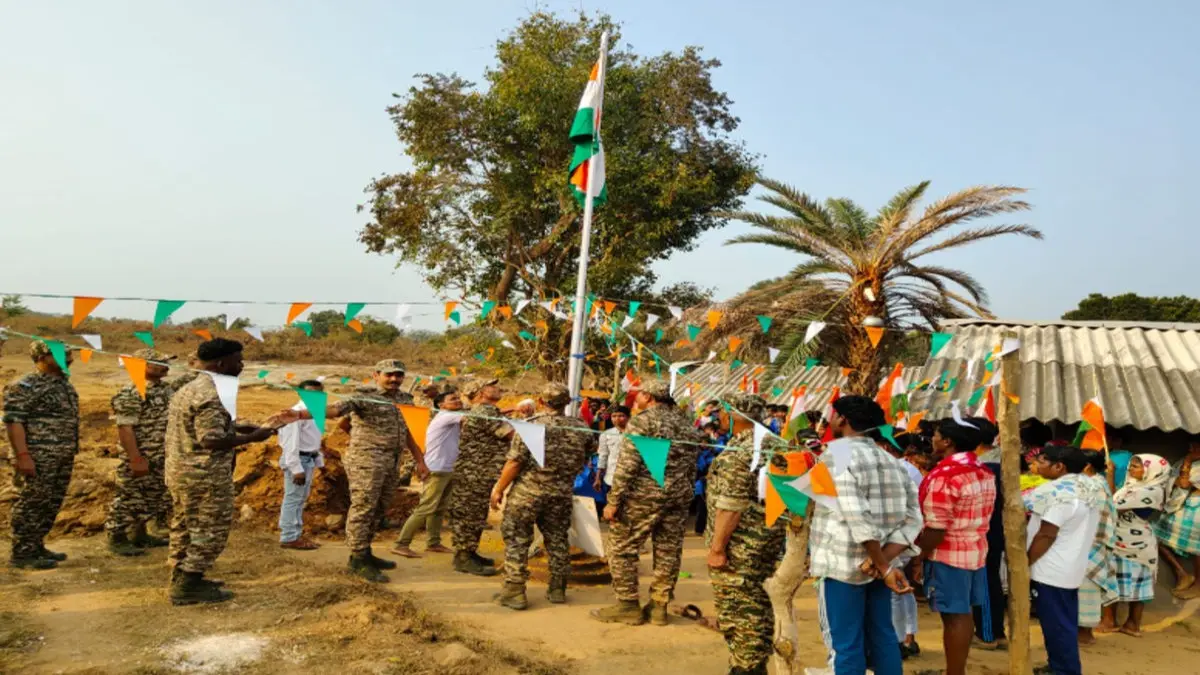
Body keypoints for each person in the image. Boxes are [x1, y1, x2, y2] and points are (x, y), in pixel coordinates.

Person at [165, 338, 290, 605]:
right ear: (222, 363)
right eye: (238, 360)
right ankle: (188, 585)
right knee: (210, 529)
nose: (242, 364)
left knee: (184, 526)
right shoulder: (211, 395)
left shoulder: (190, 388)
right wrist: (253, 438)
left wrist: (243, 427)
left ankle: (182, 576)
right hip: (204, 476)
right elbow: (210, 440)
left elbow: (206, 428)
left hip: (181, 471)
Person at [810, 395, 920, 675]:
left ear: (843, 420)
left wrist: (881, 564)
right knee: (883, 637)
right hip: (878, 568)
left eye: (833, 416)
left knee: (844, 645)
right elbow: (914, 518)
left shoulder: (837, 456)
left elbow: (856, 516)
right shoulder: (892, 461)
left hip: (843, 567)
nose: (830, 421)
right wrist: (884, 561)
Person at [303, 359, 429, 582]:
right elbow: (335, 411)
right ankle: (357, 558)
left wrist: (420, 460)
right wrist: (307, 410)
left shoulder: (404, 399)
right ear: (376, 375)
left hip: (392, 460)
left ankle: (367, 550)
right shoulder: (364, 396)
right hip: (367, 460)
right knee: (364, 506)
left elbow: (408, 432)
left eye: (398, 375)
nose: (394, 379)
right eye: (389, 374)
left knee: (380, 507)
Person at [591, 380, 705, 626]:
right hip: (678, 496)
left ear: (648, 397)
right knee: (668, 551)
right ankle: (659, 607)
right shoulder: (686, 424)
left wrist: (613, 501)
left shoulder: (642, 421)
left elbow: (627, 465)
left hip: (643, 496)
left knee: (621, 548)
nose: (635, 399)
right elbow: (691, 466)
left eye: (638, 394)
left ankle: (628, 604)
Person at [490, 383, 593, 610]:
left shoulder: (531, 427)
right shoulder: (582, 428)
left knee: (517, 540)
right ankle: (557, 589)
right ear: (567, 403)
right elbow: (586, 457)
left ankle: (515, 591)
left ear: (541, 402)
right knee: (558, 540)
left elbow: (515, 462)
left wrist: (498, 488)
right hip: (561, 494)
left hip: (528, 494)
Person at [706, 394, 789, 675]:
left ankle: (747, 666)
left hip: (741, 545)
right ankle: (755, 663)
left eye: (722, 413)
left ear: (731, 415)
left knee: (740, 608)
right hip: (769, 540)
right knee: (758, 603)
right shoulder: (777, 444)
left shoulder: (741, 452)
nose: (719, 417)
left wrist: (717, 549)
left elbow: (731, 505)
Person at [917, 419, 995, 675]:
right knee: (962, 614)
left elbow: (936, 528)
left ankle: (955, 672)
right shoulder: (984, 471)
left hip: (948, 555)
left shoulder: (944, 476)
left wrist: (920, 557)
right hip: (975, 551)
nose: (933, 440)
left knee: (954, 617)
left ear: (948, 442)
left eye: (936, 436)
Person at [1023, 445, 1104, 675]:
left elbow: (1047, 533)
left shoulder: (1061, 494)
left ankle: (1064, 670)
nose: (1037, 465)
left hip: (1051, 569)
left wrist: (1026, 562)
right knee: (1063, 623)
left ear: (1060, 466)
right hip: (1071, 566)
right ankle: (1059, 666)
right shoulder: (1088, 486)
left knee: (1057, 626)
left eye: (1043, 461)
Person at [4, 340, 81, 569]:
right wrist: (22, 455)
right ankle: (22, 553)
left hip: (62, 453)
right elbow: (13, 422)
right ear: (42, 358)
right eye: (60, 354)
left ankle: (36, 545)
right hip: (37, 454)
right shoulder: (24, 385)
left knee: (50, 501)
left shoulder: (63, 384)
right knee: (31, 502)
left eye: (68, 353)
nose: (69, 358)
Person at [105, 349, 176, 557]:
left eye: (166, 361)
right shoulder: (131, 392)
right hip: (140, 454)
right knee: (129, 496)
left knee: (152, 496)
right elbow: (125, 428)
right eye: (159, 362)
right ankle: (116, 536)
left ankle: (139, 533)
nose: (166, 366)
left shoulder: (166, 390)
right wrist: (135, 458)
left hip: (161, 454)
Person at [1105, 453, 1171, 636]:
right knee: (1114, 580)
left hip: (1137, 545)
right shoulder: (1131, 487)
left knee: (1137, 585)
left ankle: (1132, 624)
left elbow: (1112, 506)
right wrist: (1110, 475)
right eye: (1131, 465)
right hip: (1119, 540)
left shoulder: (1153, 491)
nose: (1131, 468)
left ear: (1153, 470)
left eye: (1137, 466)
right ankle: (1110, 621)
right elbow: (1113, 501)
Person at [393, 391, 465, 558]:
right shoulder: (446, 416)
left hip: (447, 468)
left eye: (457, 398)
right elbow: (477, 418)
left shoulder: (452, 417)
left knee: (439, 508)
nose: (457, 401)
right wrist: (511, 409)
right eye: (452, 399)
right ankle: (401, 543)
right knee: (426, 508)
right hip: (437, 469)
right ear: (442, 405)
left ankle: (433, 542)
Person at [448, 379, 506, 577]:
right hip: (475, 472)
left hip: (476, 471)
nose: (498, 388)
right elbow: (510, 434)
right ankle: (463, 557)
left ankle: (468, 553)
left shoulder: (486, 411)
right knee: (469, 514)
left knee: (474, 513)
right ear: (480, 393)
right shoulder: (485, 411)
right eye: (492, 386)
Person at [967, 418, 1007, 652]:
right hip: (993, 529)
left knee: (985, 580)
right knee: (989, 579)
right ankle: (994, 630)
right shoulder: (999, 461)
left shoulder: (987, 466)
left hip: (985, 531)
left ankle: (988, 633)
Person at [278, 379, 326, 551]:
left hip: (308, 459)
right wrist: (296, 469)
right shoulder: (295, 414)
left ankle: (295, 534)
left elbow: (314, 440)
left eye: (318, 393)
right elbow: (290, 445)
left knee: (300, 499)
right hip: (298, 460)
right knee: (293, 499)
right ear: (300, 393)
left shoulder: (314, 412)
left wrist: (318, 460)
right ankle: (289, 536)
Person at [1077, 450, 1118, 645]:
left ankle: (1085, 633)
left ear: (1087, 467)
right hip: (1088, 545)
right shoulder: (1097, 483)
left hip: (1090, 545)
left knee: (1087, 588)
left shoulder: (1095, 487)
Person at [1156, 440, 1200, 599]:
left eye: (1196, 446)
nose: (1192, 449)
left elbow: (1183, 482)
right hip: (1181, 507)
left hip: (1196, 509)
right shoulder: (1183, 461)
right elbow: (1173, 480)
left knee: (1197, 549)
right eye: (1191, 446)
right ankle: (1182, 574)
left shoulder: (1188, 461)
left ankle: (1198, 586)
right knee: (1158, 538)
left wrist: (1188, 461)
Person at [594, 405, 630, 491]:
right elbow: (603, 456)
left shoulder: (637, 434)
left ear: (628, 417)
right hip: (611, 478)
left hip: (631, 480)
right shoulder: (605, 434)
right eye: (614, 416)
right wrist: (597, 478)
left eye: (621, 416)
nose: (617, 419)